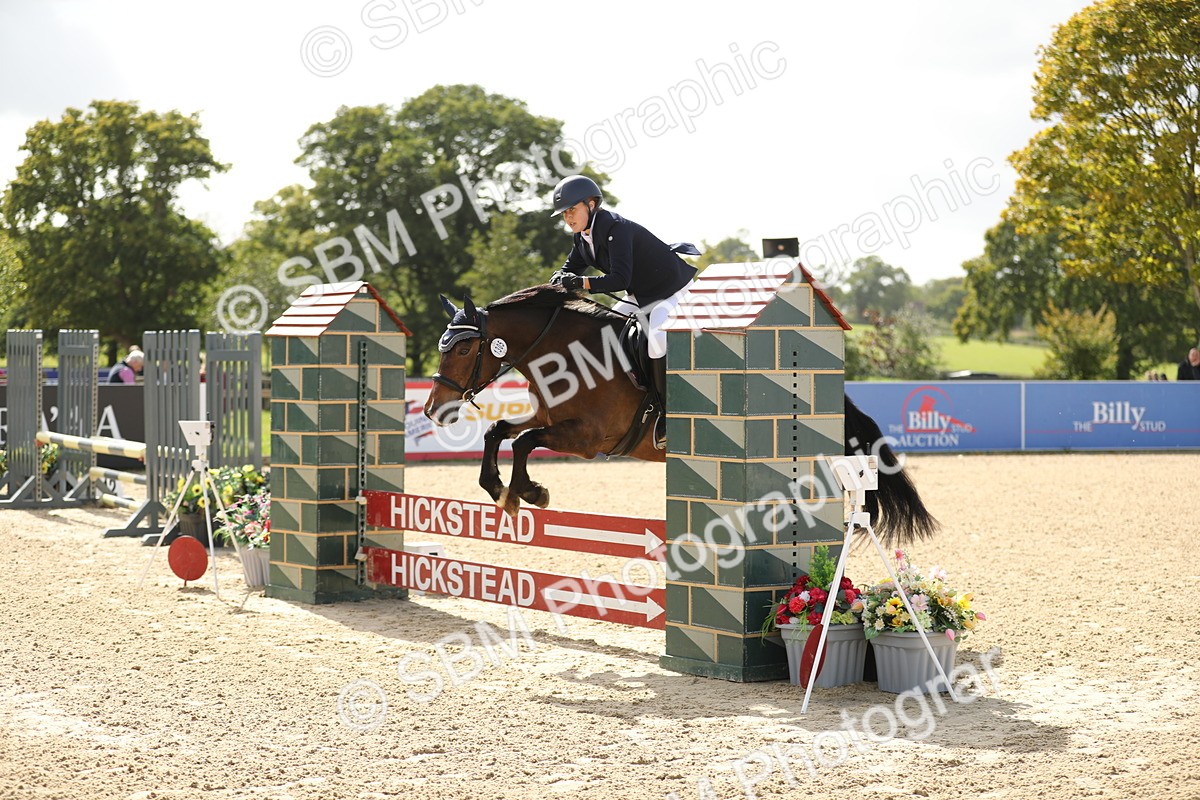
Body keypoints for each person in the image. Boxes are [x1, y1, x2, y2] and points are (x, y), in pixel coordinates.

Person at [547, 175, 697, 448]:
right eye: (564, 213)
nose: (568, 217)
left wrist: (580, 283)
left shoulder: (616, 229)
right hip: (641, 294)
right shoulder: (582, 238)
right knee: (605, 330)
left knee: (657, 341)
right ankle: (637, 395)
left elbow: (619, 280)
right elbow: (572, 268)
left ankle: (668, 414)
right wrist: (560, 277)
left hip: (672, 290)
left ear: (591, 204)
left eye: (572, 210)